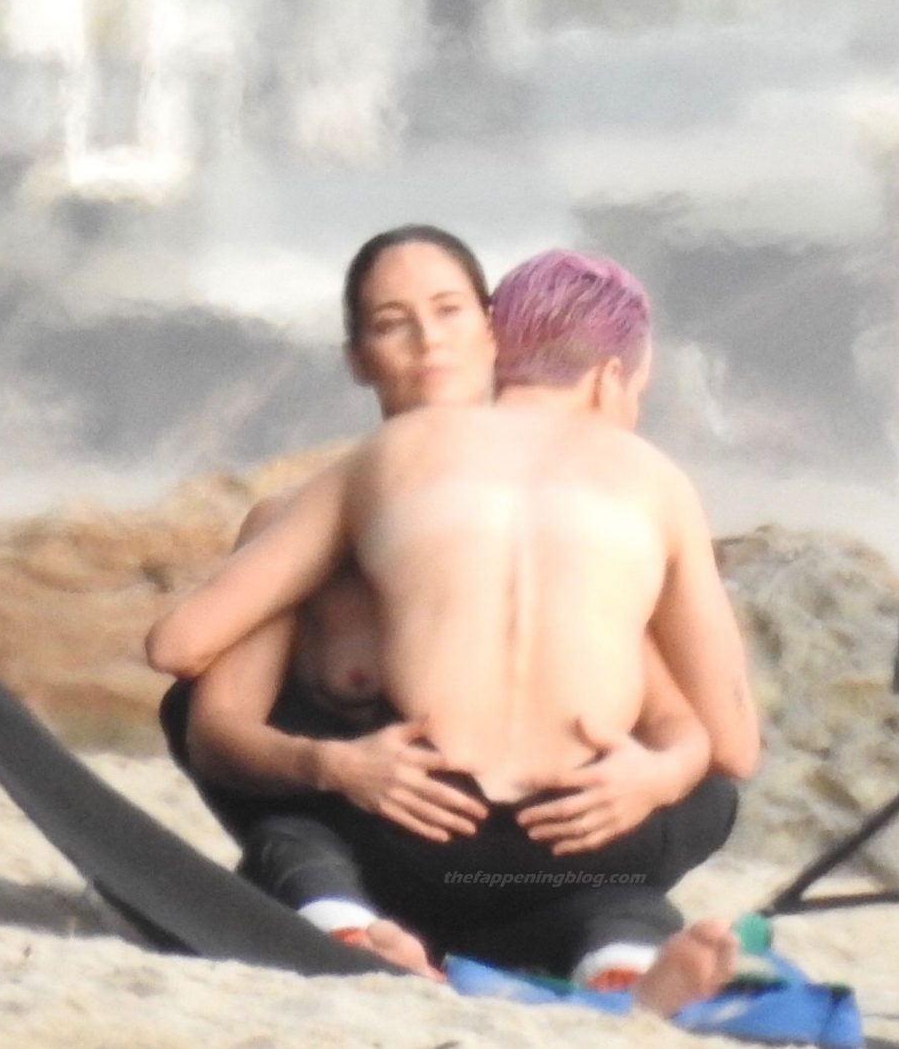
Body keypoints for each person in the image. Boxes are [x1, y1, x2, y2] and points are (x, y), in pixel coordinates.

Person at [148, 249, 759, 1010]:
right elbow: (733, 745)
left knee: (212, 721)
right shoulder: (658, 482)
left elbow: (177, 646)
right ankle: (623, 961)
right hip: (585, 837)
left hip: (419, 833)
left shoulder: (390, 454)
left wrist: (331, 750)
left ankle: (345, 922)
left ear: (494, 349)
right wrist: (659, 776)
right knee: (700, 804)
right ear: (611, 378)